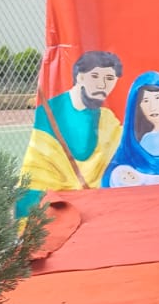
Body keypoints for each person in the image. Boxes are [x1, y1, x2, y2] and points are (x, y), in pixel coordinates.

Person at [17, 49, 124, 216]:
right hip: (53, 203)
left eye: (109, 79)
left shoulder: (107, 118)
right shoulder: (50, 112)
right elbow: (38, 170)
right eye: (95, 76)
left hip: (98, 204)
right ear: (80, 77)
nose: (102, 85)